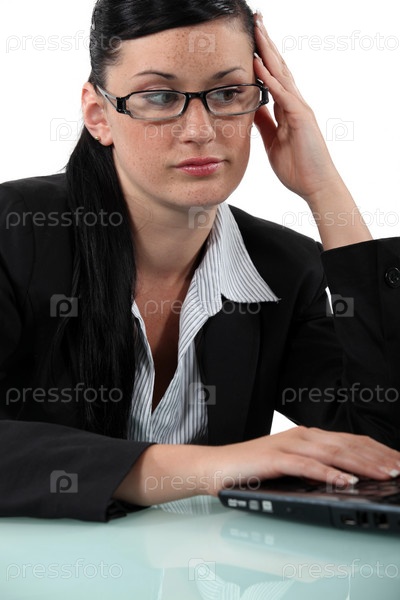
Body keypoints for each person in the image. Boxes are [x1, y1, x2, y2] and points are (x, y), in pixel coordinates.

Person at [1, 0, 400, 523]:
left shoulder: (285, 271)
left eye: (228, 93)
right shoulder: (14, 234)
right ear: (99, 115)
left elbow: (381, 448)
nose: (200, 129)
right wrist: (207, 467)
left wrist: (326, 190)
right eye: (159, 96)